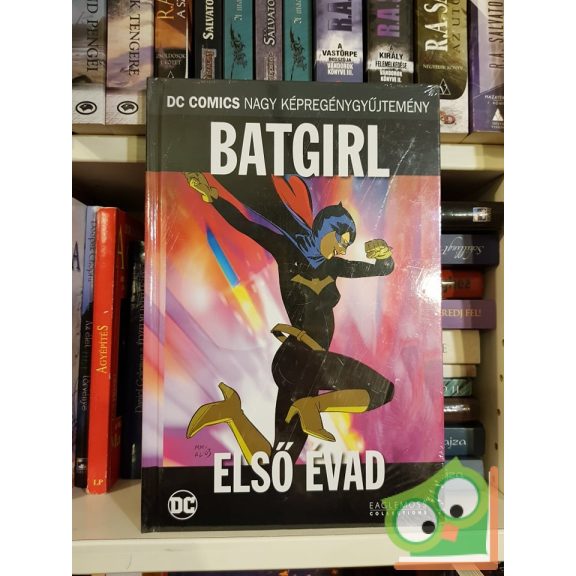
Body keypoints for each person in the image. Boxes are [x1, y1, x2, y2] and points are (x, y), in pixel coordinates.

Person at [184, 172, 396, 463]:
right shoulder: (287, 251)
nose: (343, 249)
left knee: (279, 461)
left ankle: (231, 413)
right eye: (342, 241)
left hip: (305, 369)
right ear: (328, 231)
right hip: (300, 358)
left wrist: (385, 256)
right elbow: (245, 225)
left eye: (347, 245)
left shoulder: (334, 266)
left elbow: (380, 269)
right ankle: (313, 407)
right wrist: (212, 196)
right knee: (380, 390)